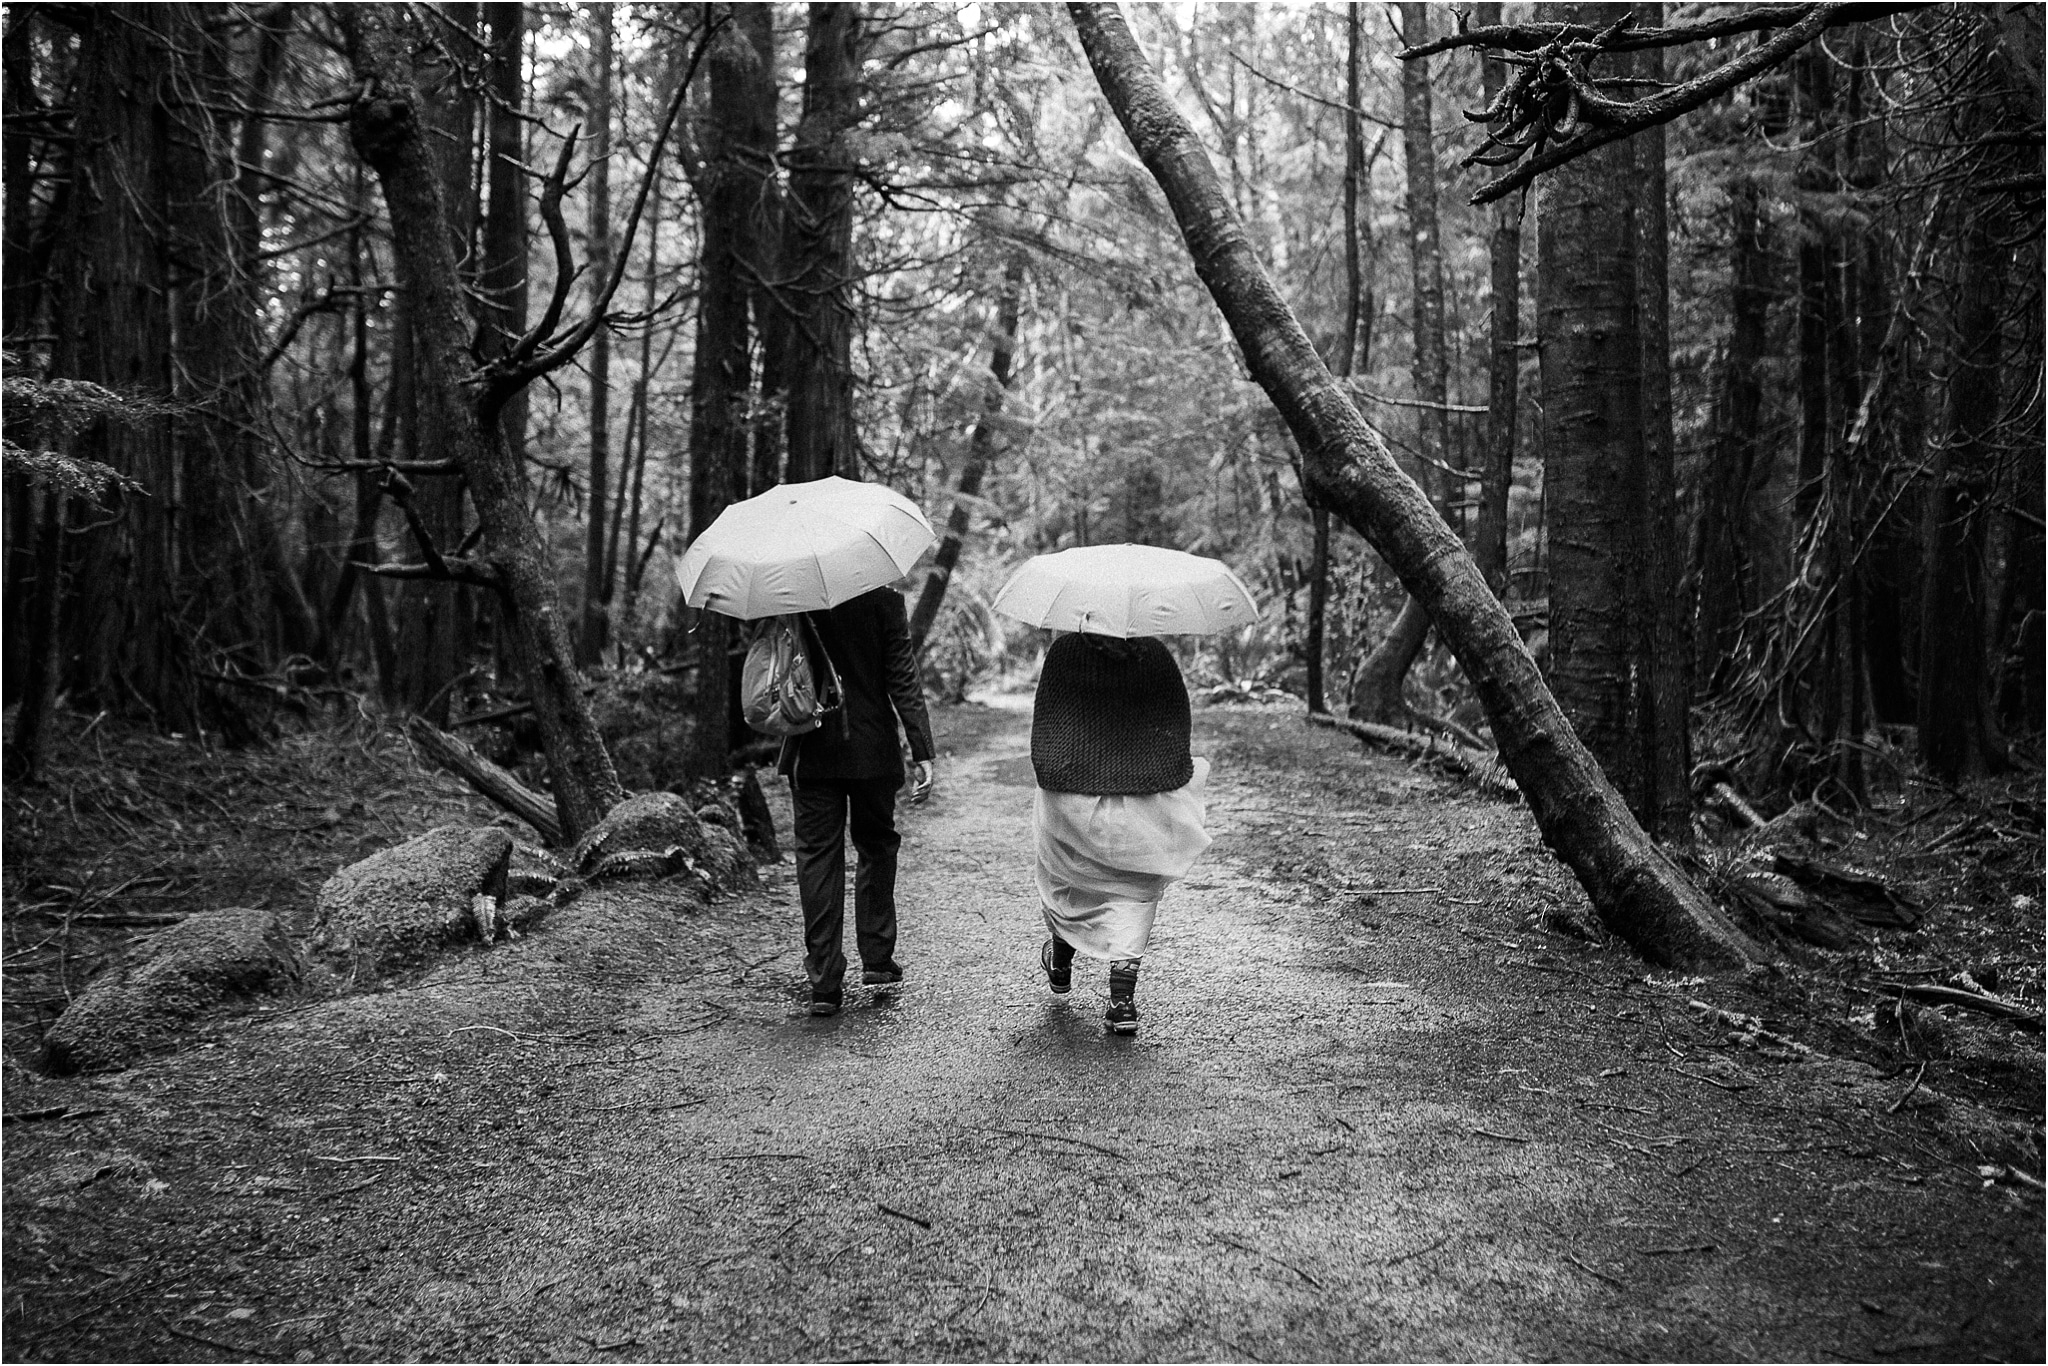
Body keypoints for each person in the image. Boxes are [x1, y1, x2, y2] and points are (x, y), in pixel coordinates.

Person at [1029, 630, 1211, 1035]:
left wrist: (1066, 775)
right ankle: (1122, 1001)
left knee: (1066, 877)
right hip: (1143, 799)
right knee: (1133, 888)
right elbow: (1176, 725)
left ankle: (1060, 959)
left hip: (1073, 795)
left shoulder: (1065, 652)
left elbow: (1046, 729)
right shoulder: (1156, 656)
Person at [777, 585, 935, 1017]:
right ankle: (878, 959)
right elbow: (902, 675)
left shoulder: (794, 597)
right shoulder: (884, 602)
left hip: (810, 749)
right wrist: (921, 747)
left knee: (817, 856)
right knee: (877, 844)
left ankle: (825, 982)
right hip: (872, 748)